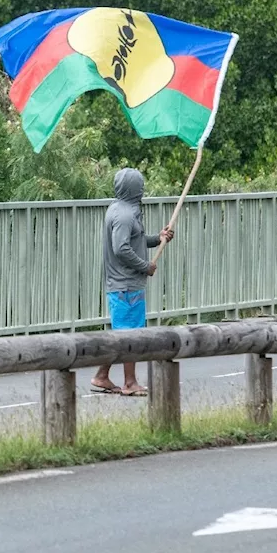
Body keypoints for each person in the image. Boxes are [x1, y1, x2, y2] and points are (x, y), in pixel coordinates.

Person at [92, 168, 173, 396]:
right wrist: (144, 266)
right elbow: (121, 248)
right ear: (134, 189)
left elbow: (134, 241)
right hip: (125, 285)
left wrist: (158, 239)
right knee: (131, 335)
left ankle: (101, 376)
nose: (142, 191)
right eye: (141, 186)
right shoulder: (125, 215)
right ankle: (129, 383)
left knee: (122, 334)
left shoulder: (119, 209)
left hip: (123, 285)